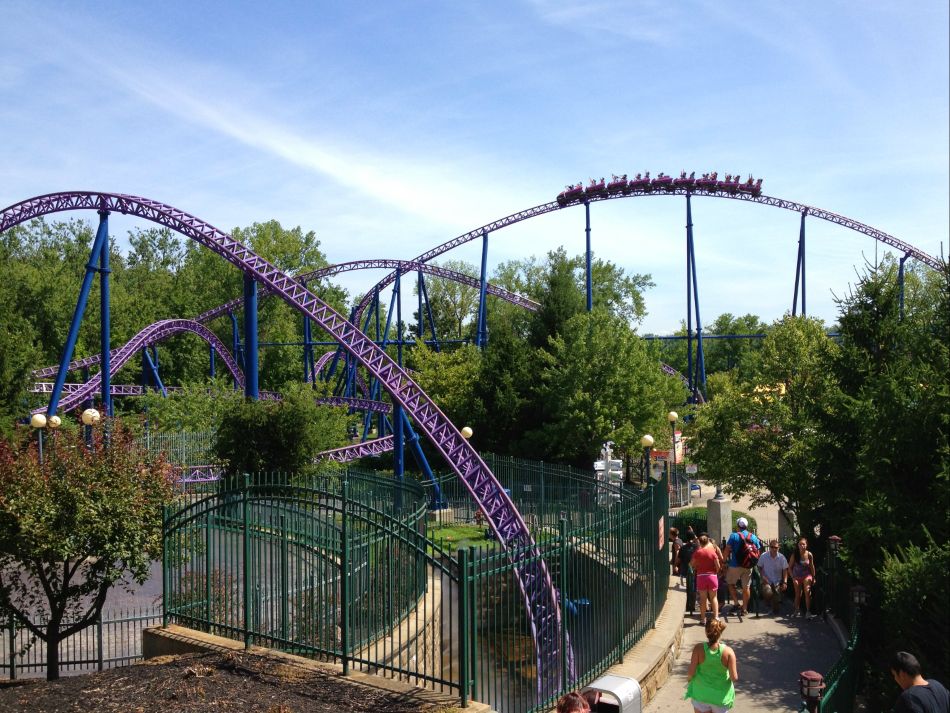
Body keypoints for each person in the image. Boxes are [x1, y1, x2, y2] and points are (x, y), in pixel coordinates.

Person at [684, 618, 738, 713]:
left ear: (706, 632)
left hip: (701, 694)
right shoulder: (729, 652)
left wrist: (689, 681)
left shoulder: (698, 648)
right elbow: (734, 678)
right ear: (720, 632)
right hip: (720, 697)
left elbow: (690, 673)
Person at [722, 517, 762, 618]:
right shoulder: (753, 537)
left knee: (730, 583)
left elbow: (727, 550)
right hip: (748, 566)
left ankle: (736, 603)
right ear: (746, 526)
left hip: (735, 565)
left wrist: (723, 561)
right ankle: (744, 609)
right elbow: (758, 551)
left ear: (737, 526)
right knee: (746, 587)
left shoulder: (734, 536)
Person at [690, 532, 723, 622]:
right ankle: (716, 617)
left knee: (703, 599)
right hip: (712, 576)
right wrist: (715, 572)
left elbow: (691, 564)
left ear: (700, 542)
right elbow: (718, 566)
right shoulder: (712, 552)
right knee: (714, 598)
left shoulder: (698, 552)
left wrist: (696, 566)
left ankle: (703, 618)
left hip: (701, 576)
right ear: (708, 541)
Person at [757, 539, 789, 615]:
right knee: (768, 592)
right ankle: (768, 603)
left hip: (777, 581)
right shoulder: (764, 556)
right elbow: (759, 567)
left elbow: (785, 570)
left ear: (778, 548)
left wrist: (785, 582)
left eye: (776, 547)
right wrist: (762, 577)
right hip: (766, 580)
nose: (774, 549)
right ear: (769, 547)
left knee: (776, 595)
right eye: (772, 547)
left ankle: (774, 608)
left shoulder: (782, 557)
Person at [788, 536, 818, 618]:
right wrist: (793, 578)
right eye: (800, 544)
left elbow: (812, 566)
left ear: (806, 545)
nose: (802, 546)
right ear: (798, 545)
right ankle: (796, 610)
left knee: (807, 592)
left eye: (804, 544)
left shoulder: (809, 554)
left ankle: (808, 611)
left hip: (806, 575)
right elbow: (789, 567)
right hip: (796, 575)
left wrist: (814, 577)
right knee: (798, 594)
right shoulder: (795, 555)